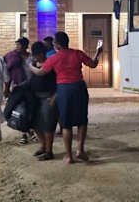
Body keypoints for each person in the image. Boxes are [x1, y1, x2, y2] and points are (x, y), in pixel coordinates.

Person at [28, 31, 101, 164]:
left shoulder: (54, 58)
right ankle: (80, 150)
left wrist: (30, 66)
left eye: (54, 42)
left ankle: (69, 156)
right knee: (82, 121)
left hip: (64, 90)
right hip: (79, 87)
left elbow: (41, 72)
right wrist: (98, 52)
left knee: (66, 123)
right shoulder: (78, 53)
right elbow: (93, 64)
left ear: (57, 44)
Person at [28, 41, 58, 161]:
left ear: (42, 53)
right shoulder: (34, 63)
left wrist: (54, 96)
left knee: (48, 124)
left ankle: (49, 151)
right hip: (35, 97)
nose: (35, 57)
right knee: (35, 123)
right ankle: (43, 146)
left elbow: (59, 81)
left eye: (37, 55)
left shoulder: (51, 64)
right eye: (34, 55)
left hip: (48, 97)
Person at [4, 37, 32, 144]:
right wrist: (6, 89)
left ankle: (28, 131)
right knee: (18, 110)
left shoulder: (31, 57)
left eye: (19, 45)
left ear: (25, 46)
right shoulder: (13, 57)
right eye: (16, 45)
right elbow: (9, 73)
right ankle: (24, 133)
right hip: (18, 88)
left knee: (29, 110)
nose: (17, 47)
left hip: (31, 88)